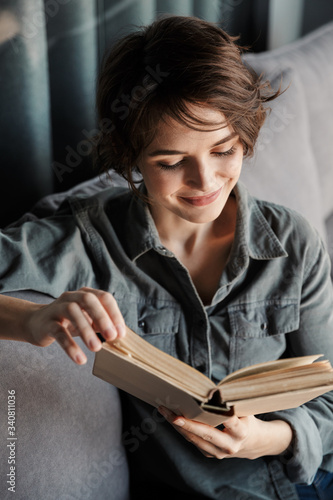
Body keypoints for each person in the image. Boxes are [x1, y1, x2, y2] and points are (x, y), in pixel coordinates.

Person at [1, 15, 333, 500]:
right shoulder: (89, 240)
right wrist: (28, 321)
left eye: (224, 149)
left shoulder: (293, 243)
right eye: (172, 163)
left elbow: (329, 402)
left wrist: (268, 437)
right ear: (130, 156)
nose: (206, 181)